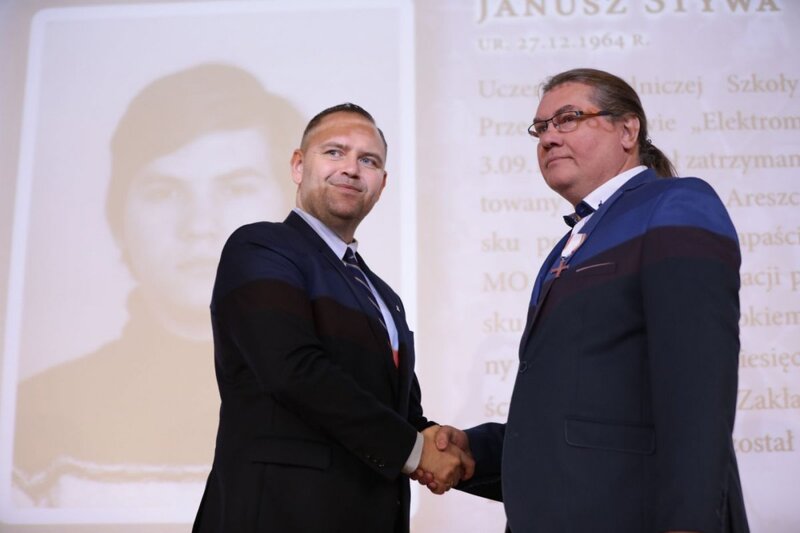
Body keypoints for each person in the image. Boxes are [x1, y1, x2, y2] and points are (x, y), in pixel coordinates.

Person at [428, 68, 749, 533]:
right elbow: (578, 422)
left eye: (568, 118)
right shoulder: (571, 243)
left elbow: (698, 389)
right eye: (541, 128)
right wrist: (472, 452)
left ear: (627, 129)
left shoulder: (675, 203)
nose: (548, 137)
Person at [13, 63, 302, 507]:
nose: (199, 226)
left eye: (236, 188)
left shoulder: (354, 404)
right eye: (164, 192)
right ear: (118, 222)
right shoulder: (34, 415)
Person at [192, 103, 473, 533]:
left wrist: (441, 442)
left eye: (369, 160)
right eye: (335, 152)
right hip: (276, 517)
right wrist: (417, 452)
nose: (351, 169)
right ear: (298, 165)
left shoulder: (385, 297)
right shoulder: (261, 248)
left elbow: (398, 413)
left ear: (382, 184)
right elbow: (294, 371)